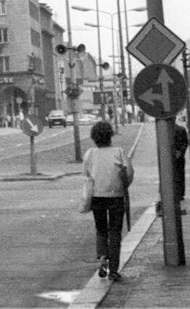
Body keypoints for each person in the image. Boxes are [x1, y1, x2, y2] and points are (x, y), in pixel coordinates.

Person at [83, 119, 133, 282]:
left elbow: (86, 175)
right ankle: (114, 269)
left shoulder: (90, 154)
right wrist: (123, 185)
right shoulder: (119, 152)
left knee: (101, 229)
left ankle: (103, 257)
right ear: (110, 135)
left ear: (94, 137)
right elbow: (129, 173)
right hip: (116, 197)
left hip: (97, 197)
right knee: (115, 232)